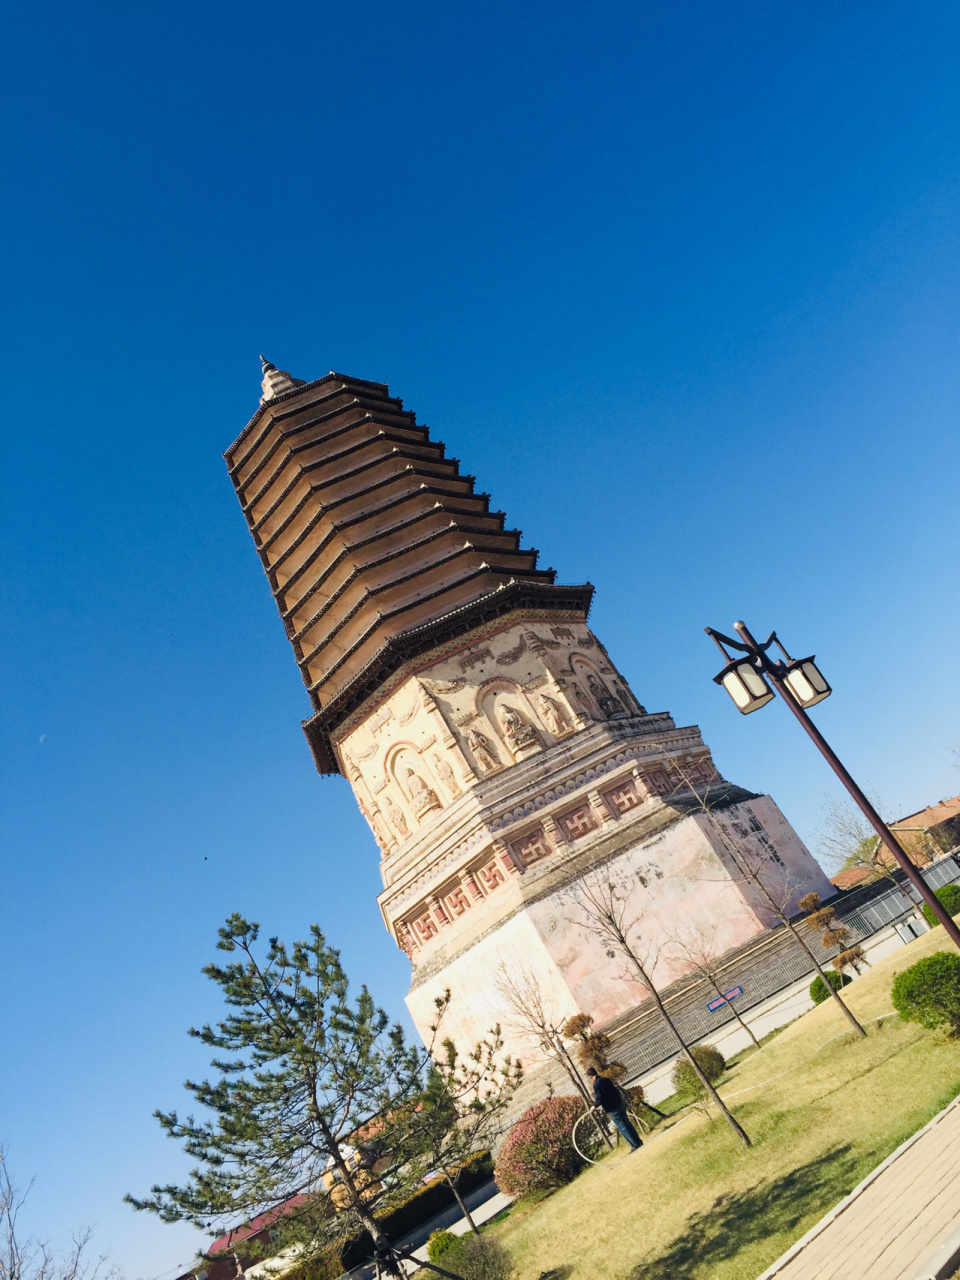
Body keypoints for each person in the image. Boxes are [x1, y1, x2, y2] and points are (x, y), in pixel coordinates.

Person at [586, 1066, 643, 1151]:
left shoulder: (596, 1085)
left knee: (622, 1127)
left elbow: (600, 1098)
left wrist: (594, 1106)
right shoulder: (606, 1079)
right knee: (627, 1123)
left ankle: (634, 1145)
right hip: (619, 1104)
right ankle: (638, 1141)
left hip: (611, 1109)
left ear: (591, 1077)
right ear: (596, 1072)